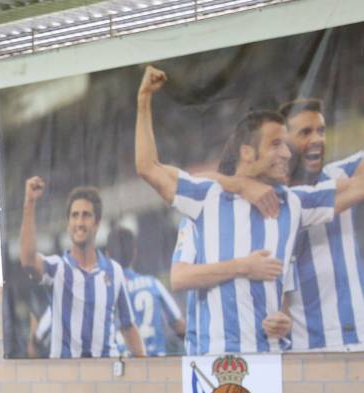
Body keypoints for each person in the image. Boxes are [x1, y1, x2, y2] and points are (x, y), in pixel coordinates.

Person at [134, 65, 364, 353]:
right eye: (276, 144)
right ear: (247, 152)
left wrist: (282, 320)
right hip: (213, 359)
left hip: (271, 357)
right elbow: (148, 167)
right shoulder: (208, 198)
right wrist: (143, 100)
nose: (287, 152)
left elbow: (357, 187)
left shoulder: (293, 203)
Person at [19, 178, 145, 358]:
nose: (79, 222)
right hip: (66, 378)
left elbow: (128, 326)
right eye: (74, 215)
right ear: (68, 223)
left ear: (97, 222)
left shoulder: (114, 271)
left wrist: (145, 368)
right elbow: (28, 261)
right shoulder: (57, 268)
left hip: (106, 376)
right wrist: (30, 203)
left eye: (86, 215)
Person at [279, 97, 364, 350]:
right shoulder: (271, 201)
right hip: (305, 349)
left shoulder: (339, 174)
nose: (317, 139)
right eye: (305, 132)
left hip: (358, 338)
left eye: (321, 131)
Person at [107, 226, 185, 356]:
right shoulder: (153, 283)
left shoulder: (105, 292)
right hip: (157, 366)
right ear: (135, 253)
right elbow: (179, 324)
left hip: (123, 367)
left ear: (107, 255)